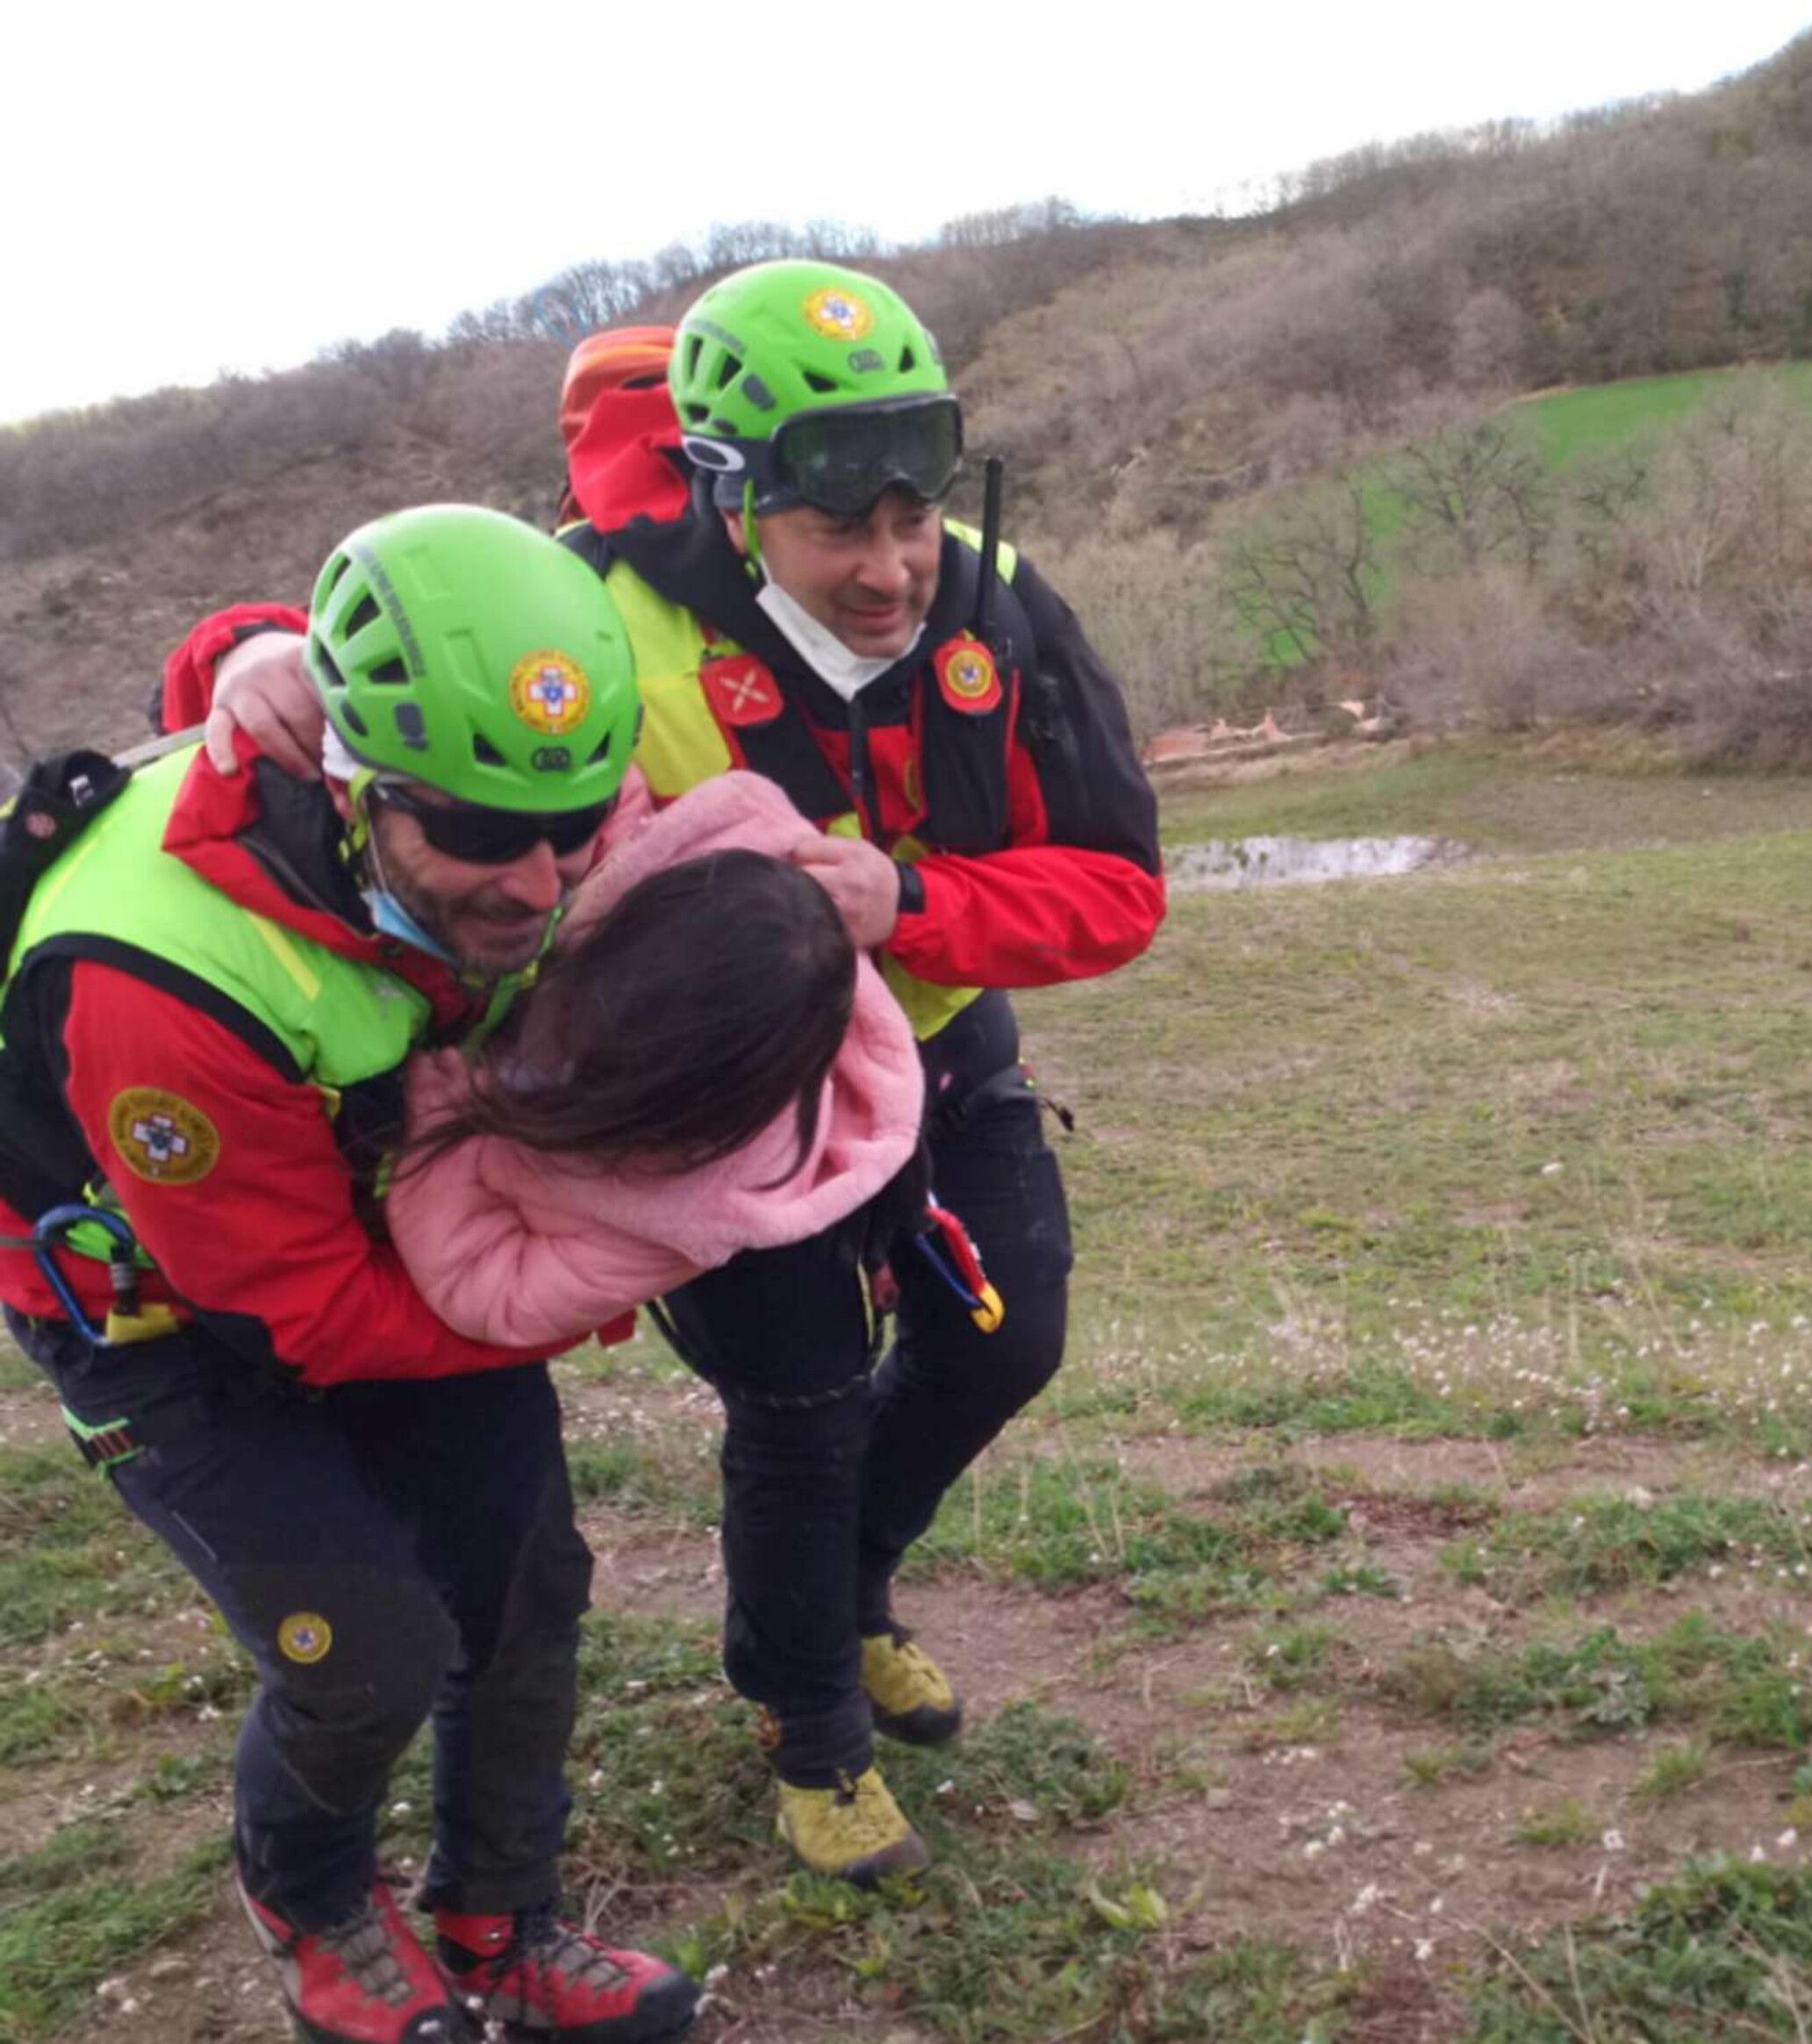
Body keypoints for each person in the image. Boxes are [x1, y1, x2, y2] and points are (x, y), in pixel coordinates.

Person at [180, 257, 1168, 1883]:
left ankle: (845, 1594)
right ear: (729, 491)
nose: (890, 569)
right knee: (802, 1404)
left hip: (933, 1040)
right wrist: (244, 656)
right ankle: (807, 1714)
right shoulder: (601, 604)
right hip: (714, 1095)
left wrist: (913, 904)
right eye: (841, 529)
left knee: (1006, 1336)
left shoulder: (995, 602)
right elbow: (397, 649)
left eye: (914, 518)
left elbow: (1121, 885)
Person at [0, 506, 699, 2043]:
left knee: (525, 1583)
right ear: (350, 782)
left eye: (573, 822)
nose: (539, 882)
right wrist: (568, 1292)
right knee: (364, 1647)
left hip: (387, 1228)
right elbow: (298, 1314)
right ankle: (311, 1896)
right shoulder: (155, 971)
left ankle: (500, 1915)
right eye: (479, 834)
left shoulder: (523, 804)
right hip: (160, 1307)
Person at [386, 773, 925, 1351]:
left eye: (606, 1058)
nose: (572, 1035)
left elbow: (495, 1294)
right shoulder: (669, 865)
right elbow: (601, 791)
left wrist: (437, 1132)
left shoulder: (693, 1206)